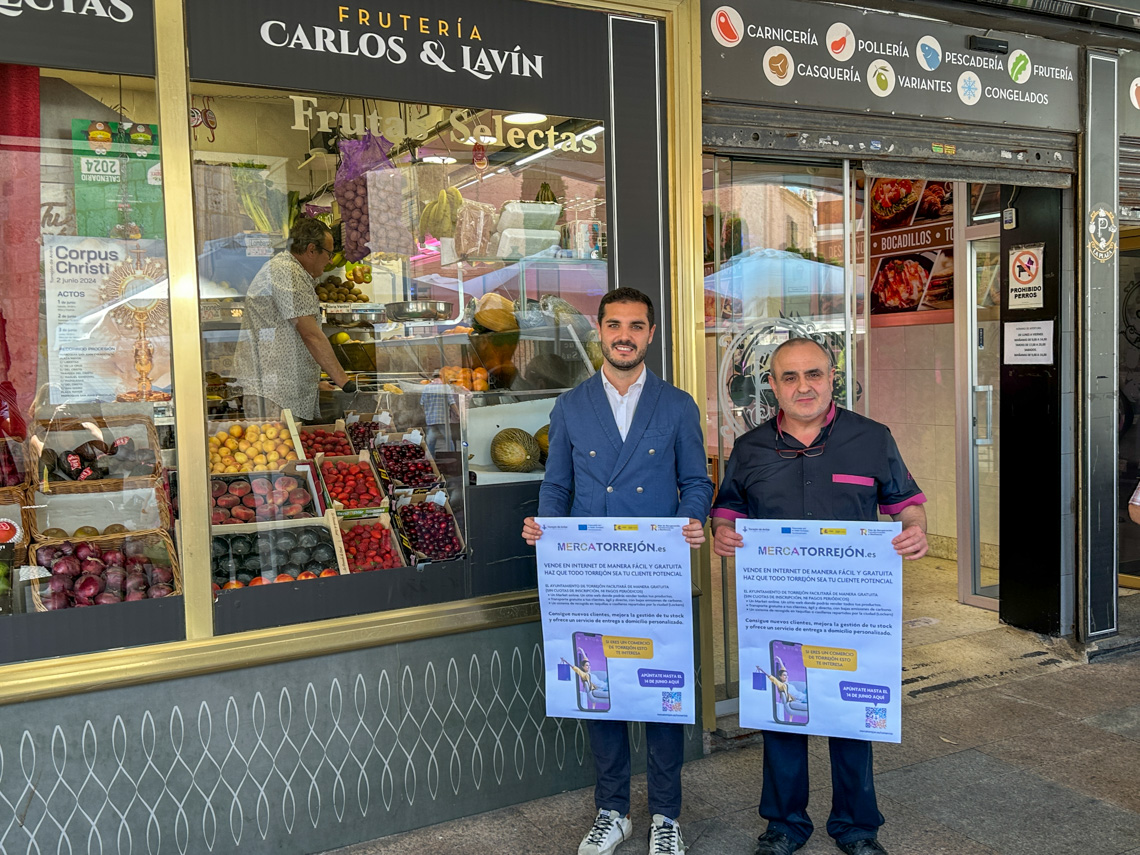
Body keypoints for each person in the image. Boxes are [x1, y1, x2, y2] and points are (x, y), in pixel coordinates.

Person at [711, 337, 928, 855]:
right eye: (789, 377)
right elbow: (728, 509)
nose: (803, 386)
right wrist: (722, 532)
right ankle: (785, 824)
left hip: (849, 607)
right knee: (782, 712)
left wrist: (916, 530)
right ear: (772, 386)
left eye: (813, 374)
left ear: (833, 377)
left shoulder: (872, 439)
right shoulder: (750, 448)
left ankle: (857, 827)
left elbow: (908, 505)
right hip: (779, 608)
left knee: (851, 715)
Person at [521, 287, 714, 855]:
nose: (624, 334)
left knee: (661, 694)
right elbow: (556, 485)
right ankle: (612, 811)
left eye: (636, 325)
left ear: (651, 334)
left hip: (654, 570)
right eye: (614, 325)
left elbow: (696, 482)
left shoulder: (677, 405)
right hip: (589, 573)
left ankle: (665, 817)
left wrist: (691, 520)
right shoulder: (571, 406)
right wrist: (546, 533)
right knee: (598, 691)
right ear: (599, 333)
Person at [234, 218, 355, 422]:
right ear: (310, 250)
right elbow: (311, 335)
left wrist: (313, 383)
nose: (331, 261)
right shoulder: (287, 272)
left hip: (279, 389)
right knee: (281, 450)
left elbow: (285, 340)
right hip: (272, 393)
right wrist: (345, 383)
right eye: (329, 253)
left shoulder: (290, 271)